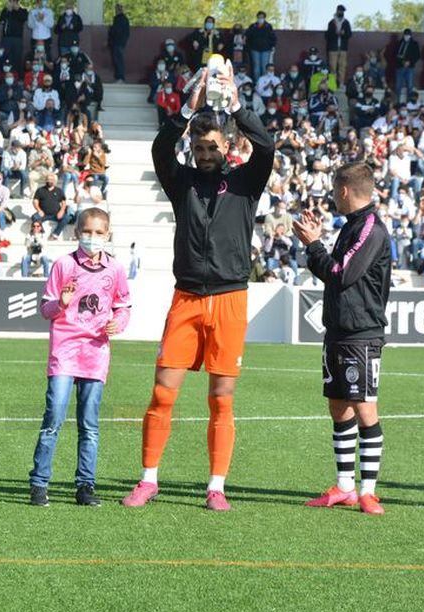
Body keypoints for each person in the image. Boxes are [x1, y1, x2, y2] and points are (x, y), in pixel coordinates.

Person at [121, 59, 274, 512]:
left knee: (220, 398)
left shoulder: (247, 181)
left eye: (212, 147)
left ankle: (216, 486)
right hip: (186, 298)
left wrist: (237, 105)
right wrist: (185, 112)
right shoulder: (181, 181)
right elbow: (159, 150)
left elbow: (265, 146)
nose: (205, 154)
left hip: (229, 299)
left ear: (227, 146)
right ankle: (148, 480)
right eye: (199, 147)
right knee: (163, 391)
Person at [292, 162, 392, 515]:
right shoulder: (352, 226)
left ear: (345, 191)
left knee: (366, 409)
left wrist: (314, 244)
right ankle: (345, 487)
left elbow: (341, 273)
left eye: (335, 191)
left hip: (362, 334)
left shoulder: (370, 228)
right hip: (338, 331)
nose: (334, 197)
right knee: (338, 406)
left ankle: (368, 491)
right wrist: (316, 246)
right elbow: (333, 273)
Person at [28, 208, 131, 506]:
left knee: (89, 424)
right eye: (87, 231)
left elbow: (123, 306)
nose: (93, 237)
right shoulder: (63, 265)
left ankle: (85, 486)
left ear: (108, 235)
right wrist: (60, 304)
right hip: (64, 351)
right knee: (54, 418)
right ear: (77, 233)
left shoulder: (116, 270)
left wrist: (119, 323)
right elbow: (46, 309)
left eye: (99, 233)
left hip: (95, 353)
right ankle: (39, 482)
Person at [324, 5, 352, 85]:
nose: (341, 12)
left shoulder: (346, 22)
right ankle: (333, 83)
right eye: (340, 11)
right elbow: (327, 35)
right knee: (332, 66)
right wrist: (335, 33)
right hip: (333, 48)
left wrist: (343, 33)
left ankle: (341, 83)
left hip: (343, 48)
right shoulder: (332, 22)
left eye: (343, 11)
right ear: (337, 11)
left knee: (342, 67)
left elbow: (349, 34)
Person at [108, 3, 130, 83]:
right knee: (117, 60)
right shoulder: (122, 19)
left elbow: (116, 32)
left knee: (118, 61)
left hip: (118, 43)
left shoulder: (120, 19)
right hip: (117, 43)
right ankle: (118, 77)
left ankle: (120, 77)